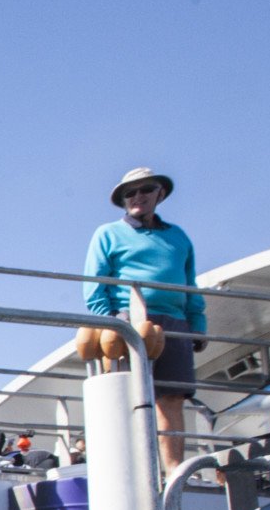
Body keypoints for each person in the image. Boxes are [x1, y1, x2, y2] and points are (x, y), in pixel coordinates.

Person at [84, 168, 206, 475]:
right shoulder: (108, 233)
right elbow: (94, 283)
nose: (138, 197)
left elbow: (190, 284)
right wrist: (113, 321)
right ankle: (131, 470)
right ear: (123, 200)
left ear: (159, 194)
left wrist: (198, 323)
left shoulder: (179, 236)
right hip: (130, 322)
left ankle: (174, 469)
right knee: (127, 397)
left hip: (175, 322)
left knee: (173, 399)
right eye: (130, 192)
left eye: (146, 190)